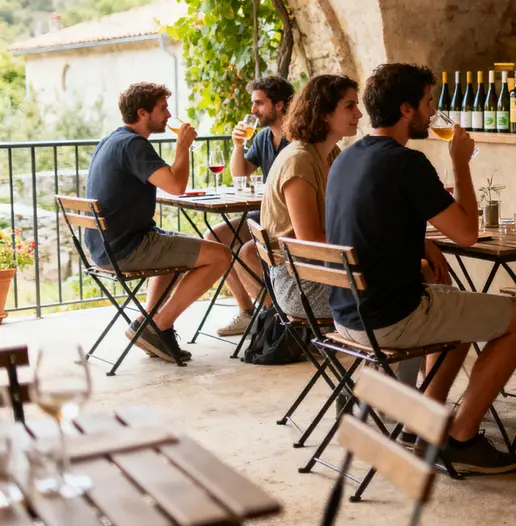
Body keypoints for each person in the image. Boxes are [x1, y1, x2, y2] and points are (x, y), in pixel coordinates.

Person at [325, 63, 516, 474]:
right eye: (428, 103)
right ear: (406, 109)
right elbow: (468, 234)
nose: (433, 112)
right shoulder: (408, 162)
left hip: (346, 315)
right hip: (390, 318)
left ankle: (420, 425)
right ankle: (462, 436)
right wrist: (461, 162)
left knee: (456, 310)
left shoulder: (345, 158)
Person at [85, 83, 232, 363]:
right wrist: (183, 147)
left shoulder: (113, 139)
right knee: (220, 256)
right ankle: (159, 325)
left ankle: (147, 323)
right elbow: (176, 186)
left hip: (105, 247)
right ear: (142, 113)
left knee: (176, 245)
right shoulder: (133, 145)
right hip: (126, 248)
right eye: (162, 108)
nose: (168, 115)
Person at [261, 74, 359, 321]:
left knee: (412, 278)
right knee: (407, 287)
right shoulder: (300, 161)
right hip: (299, 284)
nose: (358, 114)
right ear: (324, 113)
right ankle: (377, 358)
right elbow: (311, 240)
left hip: (323, 269)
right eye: (350, 106)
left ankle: (376, 358)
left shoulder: (331, 154)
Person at [206, 75, 294, 336]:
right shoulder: (264, 137)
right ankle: (246, 312)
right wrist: (238, 144)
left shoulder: (298, 139)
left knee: (244, 249)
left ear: (279, 105)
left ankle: (277, 317)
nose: (253, 110)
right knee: (215, 239)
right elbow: (241, 173)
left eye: (259, 103)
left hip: (285, 218)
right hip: (262, 213)